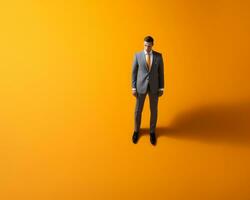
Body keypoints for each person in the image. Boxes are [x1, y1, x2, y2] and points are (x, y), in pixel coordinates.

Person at [131, 36, 165, 145]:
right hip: (141, 87)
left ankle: (152, 132)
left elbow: (161, 73)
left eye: (149, 46)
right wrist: (133, 87)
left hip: (154, 87)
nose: (146, 48)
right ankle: (136, 131)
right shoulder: (137, 56)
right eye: (145, 45)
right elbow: (134, 72)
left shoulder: (158, 57)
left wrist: (161, 87)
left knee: (154, 111)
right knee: (138, 110)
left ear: (153, 45)